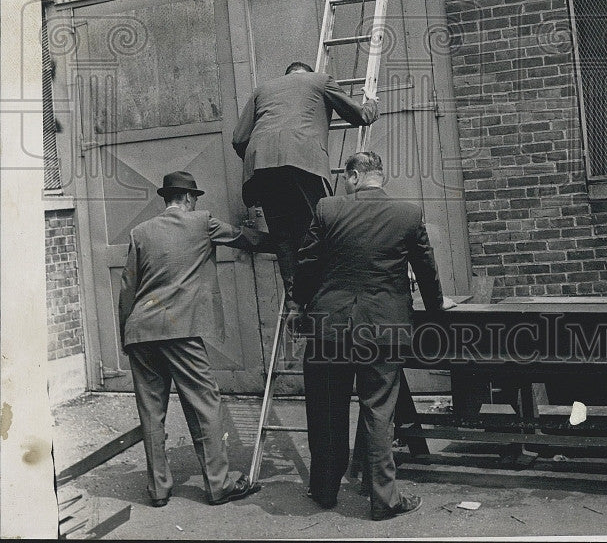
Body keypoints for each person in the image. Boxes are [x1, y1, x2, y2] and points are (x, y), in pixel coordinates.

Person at [293, 151, 455, 520]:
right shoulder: (408, 214)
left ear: (352, 176)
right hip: (384, 328)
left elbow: (306, 264)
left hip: (330, 327)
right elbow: (426, 270)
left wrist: (301, 303)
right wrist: (434, 310)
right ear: (380, 177)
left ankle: (324, 491)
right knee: (379, 412)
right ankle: (384, 500)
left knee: (326, 409)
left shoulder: (328, 209)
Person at [118, 170, 262, 507]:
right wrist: (281, 241)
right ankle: (219, 484)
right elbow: (244, 238)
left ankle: (158, 490)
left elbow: (127, 287)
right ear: (187, 198)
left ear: (166, 198)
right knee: (203, 404)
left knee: (151, 412)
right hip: (179, 329)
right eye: (194, 197)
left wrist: (127, 334)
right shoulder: (202, 221)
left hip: (140, 331)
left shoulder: (140, 232)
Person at [232, 61, 378, 299]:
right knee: (319, 228)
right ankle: (324, 296)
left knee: (283, 238)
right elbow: (360, 115)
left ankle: (295, 301)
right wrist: (371, 102)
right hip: (304, 160)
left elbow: (239, 139)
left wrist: (261, 156)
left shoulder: (262, 89)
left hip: (262, 168)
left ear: (287, 75)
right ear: (307, 74)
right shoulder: (321, 80)